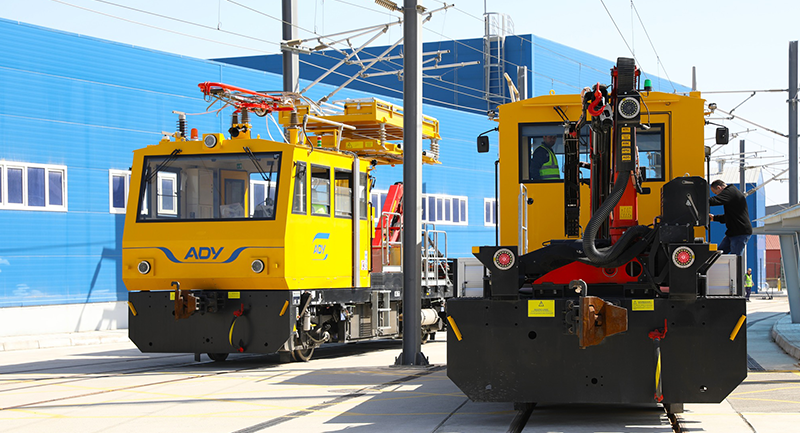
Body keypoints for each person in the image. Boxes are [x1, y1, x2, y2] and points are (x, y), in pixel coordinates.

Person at [709, 179, 752, 255]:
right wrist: (714, 218)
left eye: (716, 193)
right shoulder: (732, 192)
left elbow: (714, 201)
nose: (717, 195)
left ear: (719, 187)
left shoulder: (730, 192)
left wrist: (700, 201)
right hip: (734, 232)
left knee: (734, 257)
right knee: (719, 255)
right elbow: (730, 216)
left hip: (739, 232)